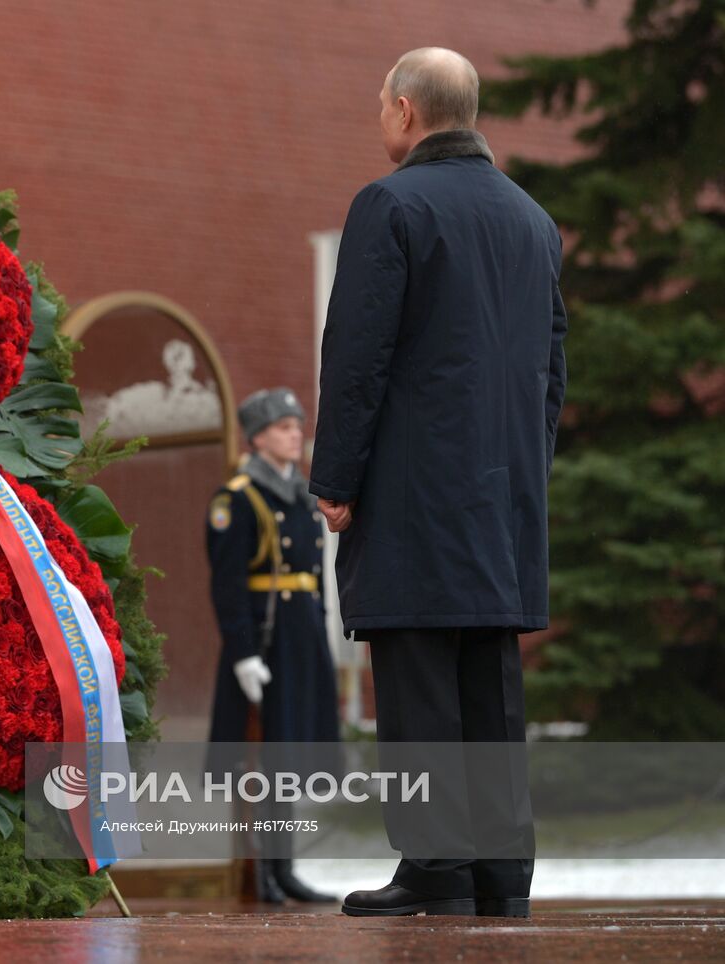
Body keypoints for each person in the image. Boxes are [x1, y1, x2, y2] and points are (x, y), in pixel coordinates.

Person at [309, 48, 567, 919]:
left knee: (418, 681)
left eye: (382, 103)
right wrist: (527, 478)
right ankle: (503, 874)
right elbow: (551, 371)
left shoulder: (391, 205)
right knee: (490, 686)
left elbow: (357, 358)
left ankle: (438, 870)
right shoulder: (534, 220)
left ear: (408, 111)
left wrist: (336, 477)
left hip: (417, 494)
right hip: (503, 503)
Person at [206, 388, 341, 905]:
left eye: (296, 425)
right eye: (284, 427)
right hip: (264, 641)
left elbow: (313, 578)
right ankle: (259, 870)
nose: (295, 434)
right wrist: (242, 654)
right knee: (259, 761)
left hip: (300, 636)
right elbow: (228, 584)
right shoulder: (237, 498)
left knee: (288, 758)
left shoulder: (304, 495)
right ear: (259, 436)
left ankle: (284, 870)